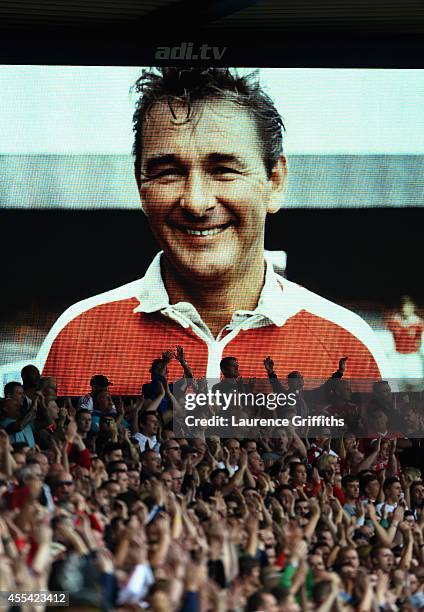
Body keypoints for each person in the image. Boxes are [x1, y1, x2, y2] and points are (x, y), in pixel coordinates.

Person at [38, 67, 391, 395]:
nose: (196, 202)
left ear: (275, 182)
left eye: (223, 169)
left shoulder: (350, 344)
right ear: (140, 185)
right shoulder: (74, 336)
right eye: (168, 172)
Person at [386, 295, 424, 390]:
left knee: (415, 383)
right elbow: (388, 338)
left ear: (413, 308)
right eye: (403, 306)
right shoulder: (393, 321)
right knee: (395, 384)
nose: (404, 309)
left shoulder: (419, 323)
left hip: (412, 357)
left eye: (407, 306)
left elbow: (420, 340)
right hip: (397, 356)